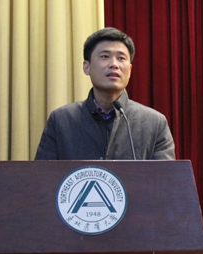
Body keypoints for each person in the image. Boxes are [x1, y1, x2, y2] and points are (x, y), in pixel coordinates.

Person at [35, 28, 175, 160]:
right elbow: (43, 175)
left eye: (121, 58)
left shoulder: (155, 123)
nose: (114, 64)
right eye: (105, 56)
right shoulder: (61, 121)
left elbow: (165, 176)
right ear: (87, 67)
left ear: (130, 70)